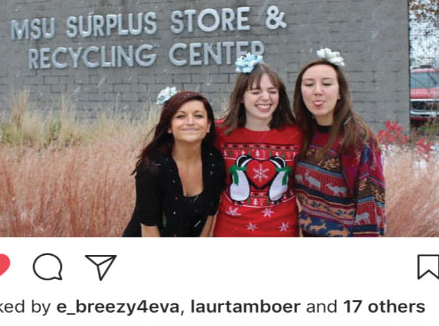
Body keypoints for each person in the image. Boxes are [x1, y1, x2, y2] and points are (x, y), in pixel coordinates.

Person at [293, 48, 386, 237]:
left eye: (326, 84)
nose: (317, 91)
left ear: (340, 93)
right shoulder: (300, 135)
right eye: (309, 84)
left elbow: (371, 206)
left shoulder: (357, 141)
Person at [213, 54, 303, 237]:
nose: (265, 97)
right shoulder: (219, 133)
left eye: (272, 91)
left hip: (282, 231)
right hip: (231, 230)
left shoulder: (297, 134)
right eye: (255, 92)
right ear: (240, 97)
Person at [123, 89, 225, 237]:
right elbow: (148, 228)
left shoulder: (214, 162)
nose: (190, 122)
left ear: (208, 125)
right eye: (181, 116)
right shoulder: (152, 168)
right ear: (169, 127)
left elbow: (209, 215)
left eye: (198, 116)